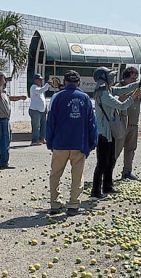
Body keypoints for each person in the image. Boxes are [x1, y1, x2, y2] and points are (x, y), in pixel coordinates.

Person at [46, 70, 97, 216]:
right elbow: (91, 123)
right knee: (77, 175)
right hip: (78, 143)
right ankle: (73, 204)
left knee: (55, 174)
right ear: (78, 82)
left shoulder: (57, 98)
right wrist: (92, 142)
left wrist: (50, 142)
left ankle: (55, 203)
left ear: (65, 82)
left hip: (60, 143)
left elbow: (50, 122)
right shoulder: (85, 98)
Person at [91, 67, 141, 198]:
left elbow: (123, 89)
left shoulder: (108, 90)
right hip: (104, 133)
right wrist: (134, 96)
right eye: (110, 77)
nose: (113, 79)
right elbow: (122, 106)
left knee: (110, 159)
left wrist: (140, 83)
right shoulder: (104, 94)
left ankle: (107, 186)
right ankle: (96, 191)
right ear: (104, 79)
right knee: (102, 163)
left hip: (110, 132)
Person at [115, 67, 141, 180]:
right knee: (115, 150)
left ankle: (127, 172)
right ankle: (107, 172)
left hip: (133, 124)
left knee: (130, 149)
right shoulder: (119, 86)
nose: (134, 80)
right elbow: (119, 98)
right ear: (126, 77)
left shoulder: (138, 87)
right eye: (132, 78)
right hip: (121, 123)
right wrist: (134, 91)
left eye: (136, 78)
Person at [0, 72, 27, 169]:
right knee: (4, 141)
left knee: (6, 141)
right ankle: (4, 163)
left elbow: (10, 98)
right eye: (3, 79)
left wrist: (20, 97)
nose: (5, 81)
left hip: (5, 120)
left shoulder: (3, 92)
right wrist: (0, 83)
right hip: (0, 120)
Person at [29, 73, 50, 145]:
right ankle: (34, 140)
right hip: (35, 110)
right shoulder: (33, 87)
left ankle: (42, 138)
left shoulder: (39, 88)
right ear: (35, 80)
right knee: (36, 126)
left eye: (41, 80)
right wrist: (47, 84)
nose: (41, 81)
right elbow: (41, 90)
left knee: (43, 125)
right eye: (39, 80)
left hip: (42, 110)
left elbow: (42, 98)